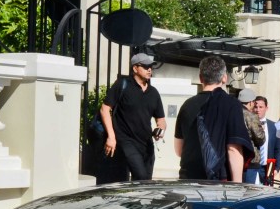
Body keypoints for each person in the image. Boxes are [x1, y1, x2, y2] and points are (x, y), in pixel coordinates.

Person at [174, 56, 253, 181]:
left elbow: (179, 150)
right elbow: (233, 149)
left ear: (201, 78)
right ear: (224, 78)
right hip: (216, 182)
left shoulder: (187, 105)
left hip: (188, 179)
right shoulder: (231, 105)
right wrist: (237, 187)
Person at [97, 52, 165, 185]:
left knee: (145, 183)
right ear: (135, 68)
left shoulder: (154, 93)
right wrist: (111, 136)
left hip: (146, 144)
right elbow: (104, 109)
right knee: (141, 177)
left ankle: (137, 206)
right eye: (145, 66)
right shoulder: (123, 85)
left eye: (150, 66)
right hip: (127, 141)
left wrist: (160, 129)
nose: (149, 69)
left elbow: (161, 120)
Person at [250, 95, 280, 184]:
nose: (258, 110)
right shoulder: (248, 124)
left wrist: (277, 167)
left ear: (266, 108)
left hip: (269, 165)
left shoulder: (273, 126)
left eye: (261, 107)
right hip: (252, 166)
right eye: (256, 107)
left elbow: (277, 148)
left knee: (267, 191)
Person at [238, 87, 267, 178]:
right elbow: (260, 138)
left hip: (234, 158)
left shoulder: (232, 113)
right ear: (250, 102)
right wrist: (261, 129)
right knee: (248, 191)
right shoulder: (251, 116)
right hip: (250, 161)